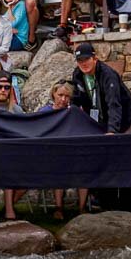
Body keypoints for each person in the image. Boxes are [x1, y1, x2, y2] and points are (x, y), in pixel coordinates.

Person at [38, 82, 89, 217]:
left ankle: (82, 208)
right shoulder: (45, 112)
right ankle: (58, 208)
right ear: (53, 94)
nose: (63, 99)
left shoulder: (73, 112)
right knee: (58, 169)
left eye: (66, 96)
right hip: (51, 155)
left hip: (72, 154)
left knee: (84, 169)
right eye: (60, 95)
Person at [70, 42, 131, 134]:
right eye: (80, 60)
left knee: (120, 144)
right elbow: (75, 100)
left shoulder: (108, 75)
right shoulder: (77, 74)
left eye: (86, 59)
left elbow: (114, 104)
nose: (84, 63)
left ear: (95, 59)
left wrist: (112, 130)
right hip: (99, 120)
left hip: (124, 118)